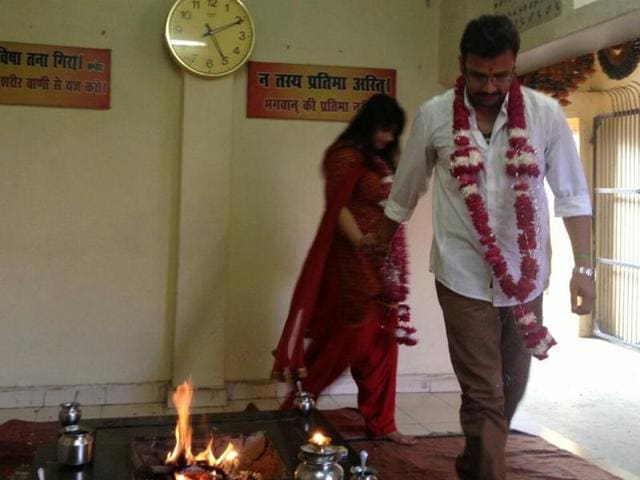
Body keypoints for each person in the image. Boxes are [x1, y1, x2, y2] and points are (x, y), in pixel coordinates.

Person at [374, 15, 595, 479]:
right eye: (479, 75)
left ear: (515, 67)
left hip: (527, 278)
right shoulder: (436, 115)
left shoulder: (544, 115)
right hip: (462, 274)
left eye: (501, 75)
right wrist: (377, 250)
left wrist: (585, 269)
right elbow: (405, 191)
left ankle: (474, 461)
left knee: (510, 387)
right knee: (485, 393)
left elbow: (573, 195)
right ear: (462, 65)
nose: (490, 86)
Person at [271, 94, 418, 445]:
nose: (386, 138)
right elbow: (337, 208)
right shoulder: (344, 156)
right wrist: (364, 241)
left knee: (383, 342)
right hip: (353, 261)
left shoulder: (381, 160)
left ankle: (383, 424)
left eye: (392, 132)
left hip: (387, 264)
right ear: (367, 124)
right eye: (382, 130)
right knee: (349, 340)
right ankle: (293, 411)